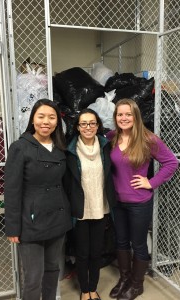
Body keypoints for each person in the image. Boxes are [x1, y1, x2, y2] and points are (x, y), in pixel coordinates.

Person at [106, 99, 179, 300]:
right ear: (115, 117)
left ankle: (137, 285)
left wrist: (151, 182)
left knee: (138, 243)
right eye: (120, 114)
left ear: (135, 116)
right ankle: (124, 279)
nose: (123, 118)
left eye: (128, 114)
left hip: (139, 202)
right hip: (117, 201)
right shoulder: (111, 137)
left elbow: (171, 162)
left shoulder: (148, 139)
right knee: (120, 242)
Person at [4, 99, 72, 300]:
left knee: (52, 270)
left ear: (57, 122)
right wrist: (13, 227)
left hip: (58, 218)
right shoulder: (20, 147)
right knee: (33, 277)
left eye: (51, 117)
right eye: (41, 116)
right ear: (32, 119)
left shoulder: (60, 147)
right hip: (30, 221)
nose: (46, 122)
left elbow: (66, 184)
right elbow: (12, 190)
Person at [64, 108, 117, 300]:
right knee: (82, 253)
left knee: (96, 252)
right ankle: (84, 290)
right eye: (83, 123)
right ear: (78, 127)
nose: (88, 127)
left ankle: (92, 289)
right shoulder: (70, 150)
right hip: (80, 210)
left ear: (97, 126)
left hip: (101, 208)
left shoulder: (106, 147)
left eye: (92, 123)